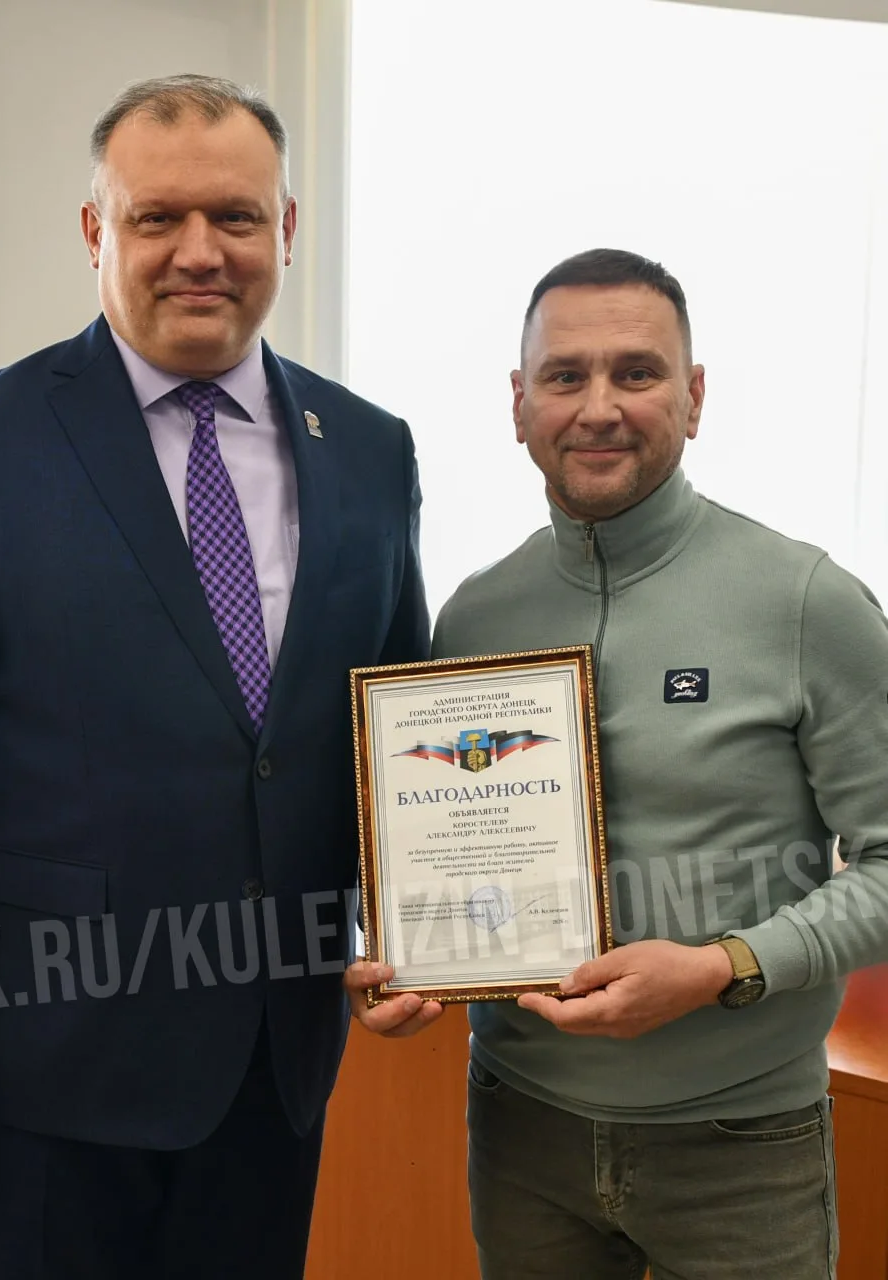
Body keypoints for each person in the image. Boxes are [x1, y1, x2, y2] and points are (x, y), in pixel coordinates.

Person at [0, 74, 428, 1279]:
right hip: (42, 1057)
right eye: (158, 217)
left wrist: (420, 927)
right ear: (96, 231)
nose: (199, 251)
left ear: (285, 229)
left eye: (236, 216)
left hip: (274, 1055)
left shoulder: (369, 447)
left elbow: (392, 726)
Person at [345, 248, 888, 1279]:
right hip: (521, 1131)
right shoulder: (475, 615)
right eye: (565, 375)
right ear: (518, 404)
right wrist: (406, 963)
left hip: (740, 1144)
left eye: (635, 372)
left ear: (693, 396)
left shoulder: (805, 601)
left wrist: (723, 966)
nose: (598, 407)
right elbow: (448, 849)